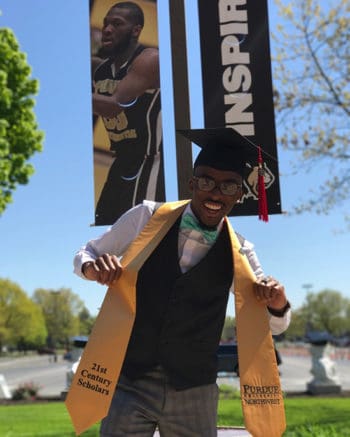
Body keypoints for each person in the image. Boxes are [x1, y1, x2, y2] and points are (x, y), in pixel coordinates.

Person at [74, 128, 291, 436]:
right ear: (191, 183)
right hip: (130, 380)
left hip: (195, 390)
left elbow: (273, 326)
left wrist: (278, 303)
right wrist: (92, 268)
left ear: (240, 195)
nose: (215, 193)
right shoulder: (146, 217)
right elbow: (87, 252)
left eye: (228, 186)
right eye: (206, 181)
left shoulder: (240, 251)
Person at [92, 1, 165, 225]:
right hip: (121, 161)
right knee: (106, 226)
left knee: (138, 236)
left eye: (116, 24)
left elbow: (116, 105)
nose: (107, 29)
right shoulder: (101, 68)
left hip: (148, 162)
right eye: (105, 24)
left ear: (135, 30)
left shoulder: (149, 60)